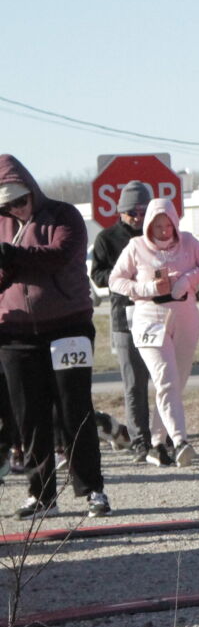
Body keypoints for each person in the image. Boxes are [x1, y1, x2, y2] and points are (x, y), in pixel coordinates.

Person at [0, 156, 109, 518]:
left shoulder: (64, 215)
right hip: (14, 337)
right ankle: (41, 492)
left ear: (31, 189)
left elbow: (60, 256)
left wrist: (12, 257)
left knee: (74, 409)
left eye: (19, 199)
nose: (16, 208)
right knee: (28, 416)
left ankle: (92, 489)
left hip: (68, 328)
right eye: (7, 203)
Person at [106, 196, 199, 468]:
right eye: (157, 225)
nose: (163, 230)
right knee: (165, 379)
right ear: (148, 226)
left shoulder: (189, 242)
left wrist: (188, 279)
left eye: (168, 224)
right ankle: (180, 440)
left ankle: (157, 443)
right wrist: (146, 289)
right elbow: (115, 280)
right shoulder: (136, 247)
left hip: (185, 317)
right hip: (150, 319)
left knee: (175, 384)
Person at [90, 180, 152, 463]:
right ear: (122, 211)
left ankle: (166, 438)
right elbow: (98, 275)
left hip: (158, 314)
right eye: (132, 212)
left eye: (143, 210)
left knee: (165, 382)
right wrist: (124, 278)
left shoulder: (159, 234)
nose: (138, 217)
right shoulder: (107, 238)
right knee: (134, 382)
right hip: (124, 317)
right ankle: (140, 441)